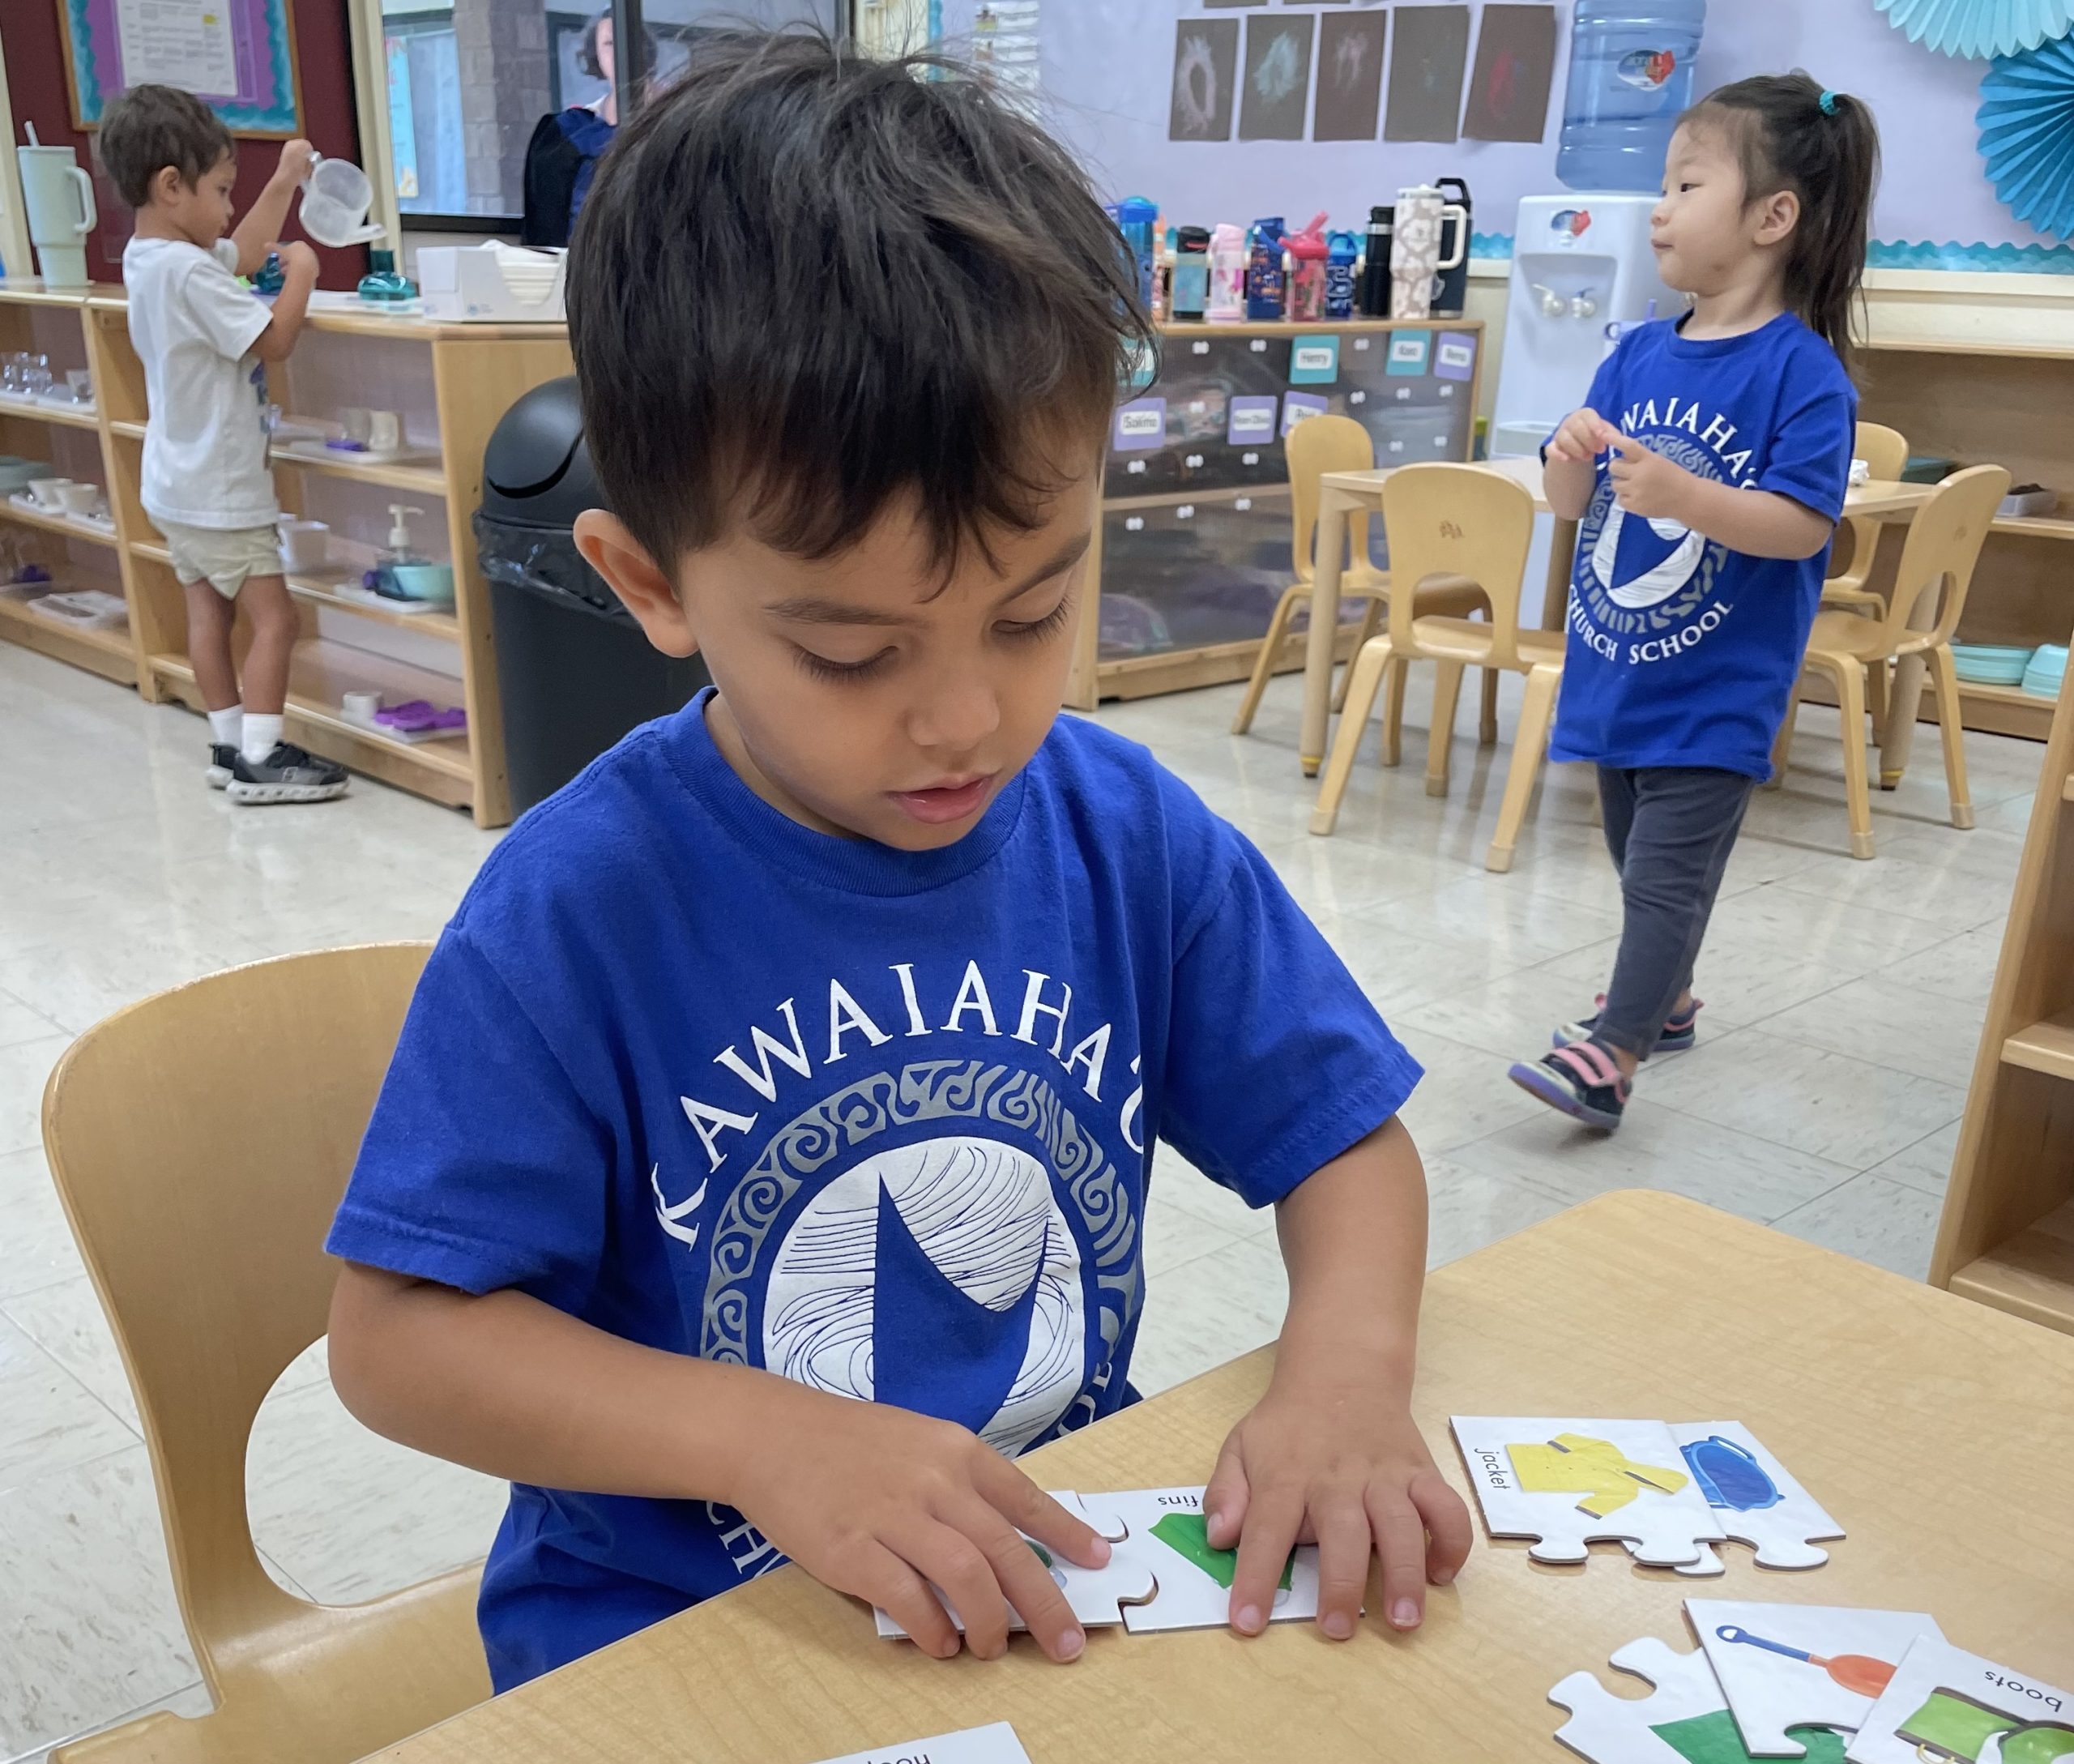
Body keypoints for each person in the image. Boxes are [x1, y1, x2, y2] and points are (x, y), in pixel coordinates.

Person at [325, 30, 1471, 1693]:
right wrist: (759, 1434)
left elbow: (1345, 1145)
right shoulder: (578, 909)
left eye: (1030, 611)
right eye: (851, 652)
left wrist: (1348, 1370)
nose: (966, 718)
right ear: (649, 583)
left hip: (1044, 1590)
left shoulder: (1119, 831)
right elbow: (399, 1342)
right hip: (677, 1632)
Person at [1509, 73, 1878, 1130]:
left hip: (1717, 682)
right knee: (1634, 853)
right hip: (1622, 665)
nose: (1660, 208)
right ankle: (1664, 1001)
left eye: (1684, 183)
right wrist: (1571, 450)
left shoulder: (1801, 376)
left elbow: (1806, 527)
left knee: (1667, 876)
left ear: (1772, 218)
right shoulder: (1636, 354)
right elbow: (1567, 500)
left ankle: (1612, 1053)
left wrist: (1688, 496)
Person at [97, 85, 349, 805]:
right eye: (221, 189)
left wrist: (284, 179)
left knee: (210, 612)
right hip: (222, 488)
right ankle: (264, 758)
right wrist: (299, 275)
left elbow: (236, 254)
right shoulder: (187, 272)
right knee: (276, 618)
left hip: (174, 485)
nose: (232, 206)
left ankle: (230, 740)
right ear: (171, 187)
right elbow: (272, 339)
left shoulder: (153, 259)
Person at [522, 11, 651, 247]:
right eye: (609, 44)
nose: (621, 52)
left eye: (631, 42)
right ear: (596, 55)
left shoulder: (677, 119)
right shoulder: (569, 131)